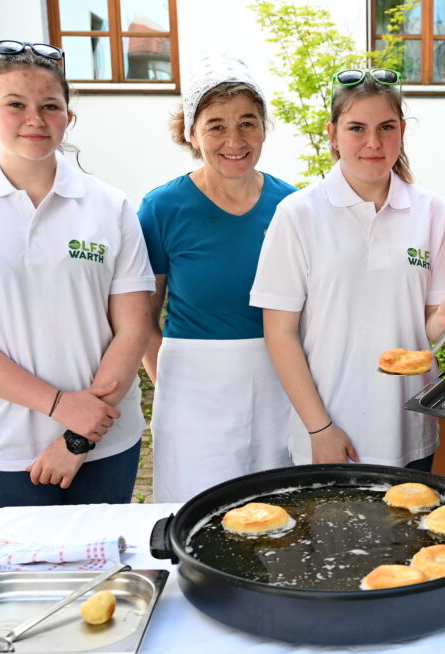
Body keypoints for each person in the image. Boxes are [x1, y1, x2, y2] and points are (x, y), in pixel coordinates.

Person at [0, 40, 155, 513]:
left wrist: (78, 436)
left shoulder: (110, 206)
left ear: (69, 117)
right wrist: (61, 407)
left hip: (106, 440)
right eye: (15, 105)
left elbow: (132, 329)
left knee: (100, 578)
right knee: (28, 580)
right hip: (4, 445)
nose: (35, 120)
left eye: (50, 106)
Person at [251, 68, 445, 471]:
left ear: (403, 130)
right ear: (333, 133)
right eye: (357, 128)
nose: (373, 143)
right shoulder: (298, 214)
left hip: (409, 433)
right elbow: (279, 333)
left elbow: (427, 332)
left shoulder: (432, 212)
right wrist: (318, 428)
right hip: (326, 435)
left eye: (386, 127)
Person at [138, 56, 295, 503]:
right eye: (216, 126)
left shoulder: (292, 207)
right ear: (190, 132)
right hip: (191, 392)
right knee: (195, 517)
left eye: (248, 123)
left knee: (274, 516)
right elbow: (141, 318)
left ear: (264, 128)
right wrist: (168, 382)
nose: (234, 140)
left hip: (276, 384)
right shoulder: (162, 208)